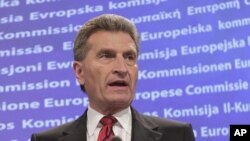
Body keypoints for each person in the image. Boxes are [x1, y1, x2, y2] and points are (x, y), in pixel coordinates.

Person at [31, 14, 196, 141]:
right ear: (79, 72)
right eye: (106, 56)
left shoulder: (176, 135)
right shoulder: (46, 140)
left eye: (130, 57)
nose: (122, 68)